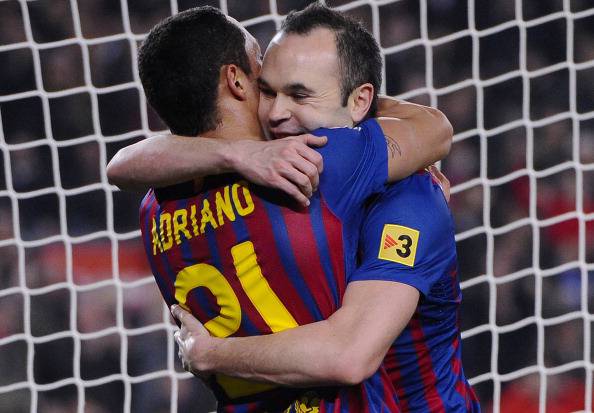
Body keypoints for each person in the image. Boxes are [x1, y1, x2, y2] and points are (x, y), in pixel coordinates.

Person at [107, 4, 465, 412]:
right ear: (236, 81)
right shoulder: (321, 163)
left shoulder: (153, 208)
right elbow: (435, 129)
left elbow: (121, 165)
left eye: (296, 93)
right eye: (264, 79)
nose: (277, 110)